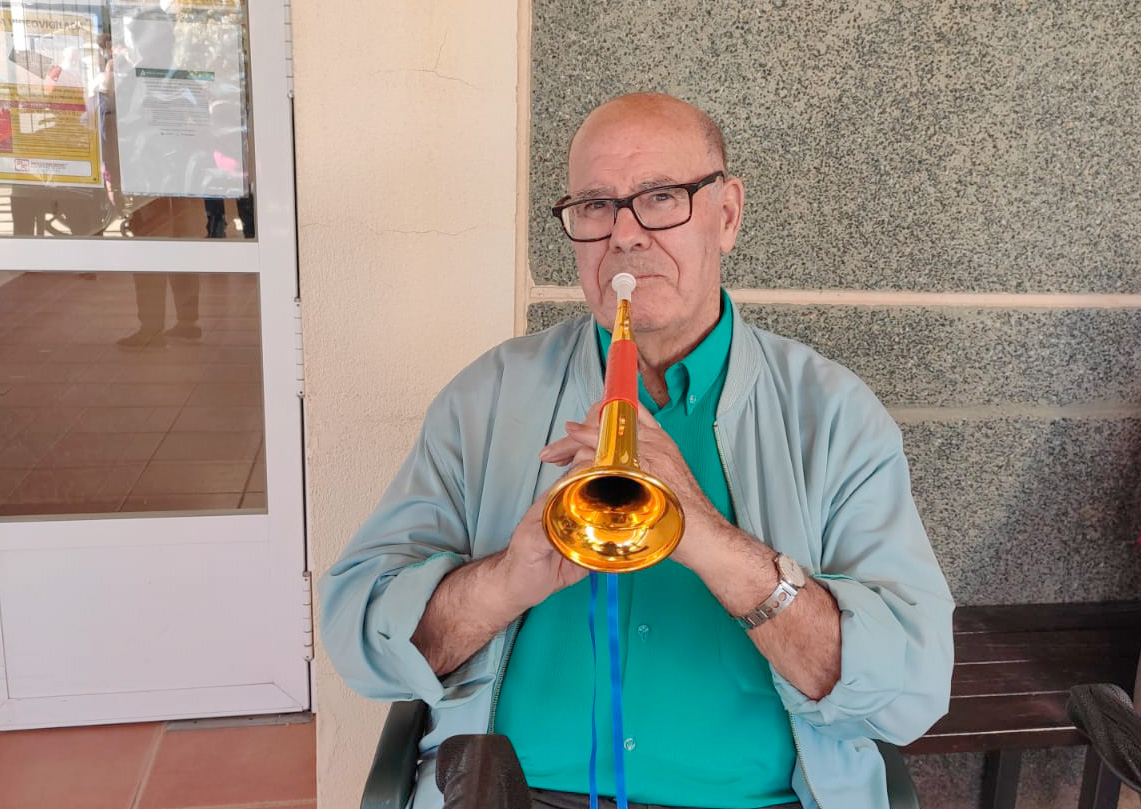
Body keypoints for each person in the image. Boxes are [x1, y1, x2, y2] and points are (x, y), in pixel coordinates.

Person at [320, 93, 954, 809]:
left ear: (726, 214)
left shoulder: (834, 414)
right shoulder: (487, 395)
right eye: (594, 205)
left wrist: (715, 543)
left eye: (660, 197)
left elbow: (910, 691)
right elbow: (356, 636)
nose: (623, 235)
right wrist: (504, 581)